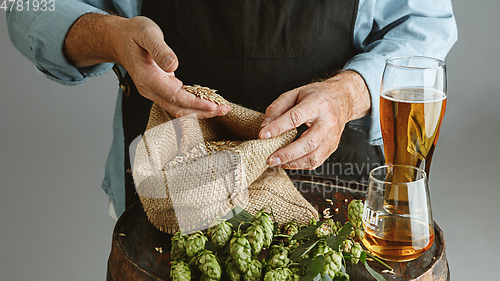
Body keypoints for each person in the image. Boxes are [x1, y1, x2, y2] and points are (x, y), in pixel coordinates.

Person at [7, 0, 458, 219]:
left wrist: (346, 94)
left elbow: (425, 25)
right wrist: (113, 38)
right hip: (172, 206)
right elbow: (28, 8)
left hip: (339, 208)